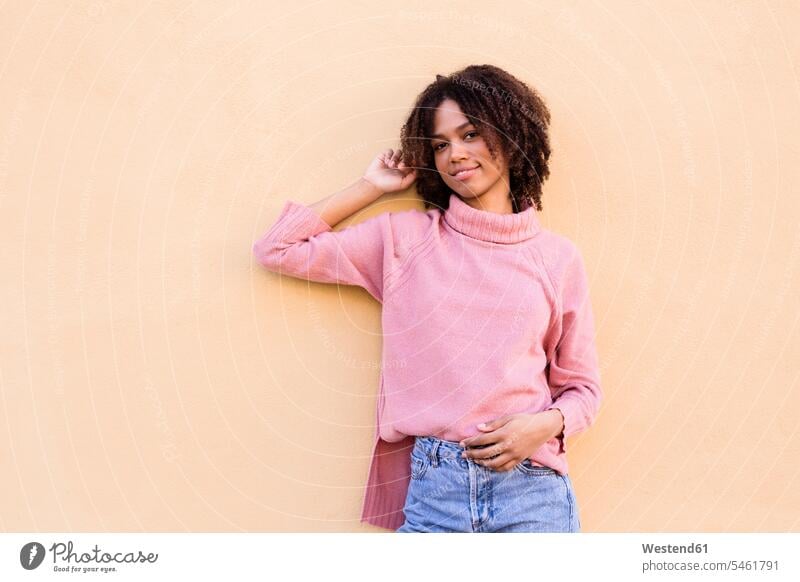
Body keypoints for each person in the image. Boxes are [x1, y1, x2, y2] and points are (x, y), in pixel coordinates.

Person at [252, 64, 602, 533]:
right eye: (440, 145)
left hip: (533, 492)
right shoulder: (405, 242)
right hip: (436, 494)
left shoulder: (557, 259)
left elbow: (583, 391)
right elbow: (277, 248)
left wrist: (543, 426)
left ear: (511, 134)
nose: (455, 154)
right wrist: (371, 188)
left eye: (470, 134)